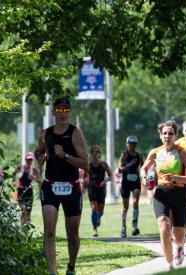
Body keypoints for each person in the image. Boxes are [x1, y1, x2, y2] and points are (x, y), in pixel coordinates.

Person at [34, 97, 88, 274]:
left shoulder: (75, 133)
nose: (63, 113)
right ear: (54, 112)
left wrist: (64, 155)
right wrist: (40, 157)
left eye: (66, 110)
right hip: (50, 186)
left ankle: (71, 266)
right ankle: (52, 271)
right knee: (49, 231)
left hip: (71, 187)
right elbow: (39, 151)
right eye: (59, 110)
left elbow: (85, 163)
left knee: (72, 235)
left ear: (70, 112)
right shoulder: (45, 133)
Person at [140, 120, 186, 271]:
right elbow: (144, 169)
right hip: (161, 194)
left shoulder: (182, 153)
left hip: (179, 195)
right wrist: (145, 178)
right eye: (164, 133)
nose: (167, 136)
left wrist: (176, 178)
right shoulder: (155, 152)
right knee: (164, 228)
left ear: (175, 135)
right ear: (160, 135)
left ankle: (179, 247)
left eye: (170, 133)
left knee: (179, 237)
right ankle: (169, 264)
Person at [118, 135, 144, 237]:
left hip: (135, 182)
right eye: (130, 143)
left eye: (134, 144)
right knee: (125, 207)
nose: (132, 146)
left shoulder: (139, 155)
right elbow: (119, 169)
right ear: (127, 144)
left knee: (135, 202)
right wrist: (129, 164)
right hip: (125, 183)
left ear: (136, 145)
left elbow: (143, 167)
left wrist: (145, 175)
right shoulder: (124, 154)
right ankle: (123, 227)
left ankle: (134, 226)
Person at [85, 145, 112, 237]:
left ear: (99, 154)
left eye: (97, 152)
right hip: (92, 188)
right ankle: (94, 229)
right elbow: (85, 177)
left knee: (100, 212)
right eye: (93, 152)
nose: (95, 153)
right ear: (91, 154)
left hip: (101, 189)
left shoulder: (103, 164)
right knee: (94, 208)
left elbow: (111, 176)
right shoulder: (88, 166)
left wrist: (105, 181)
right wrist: (87, 180)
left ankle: (97, 219)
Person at [13, 152, 41, 225]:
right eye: (28, 159)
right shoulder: (20, 167)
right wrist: (14, 182)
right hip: (20, 190)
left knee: (28, 210)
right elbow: (13, 173)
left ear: (32, 160)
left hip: (29, 191)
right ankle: (23, 224)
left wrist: (34, 178)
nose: (29, 161)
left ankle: (26, 225)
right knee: (23, 209)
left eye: (31, 159)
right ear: (25, 160)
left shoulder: (34, 170)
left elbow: (39, 181)